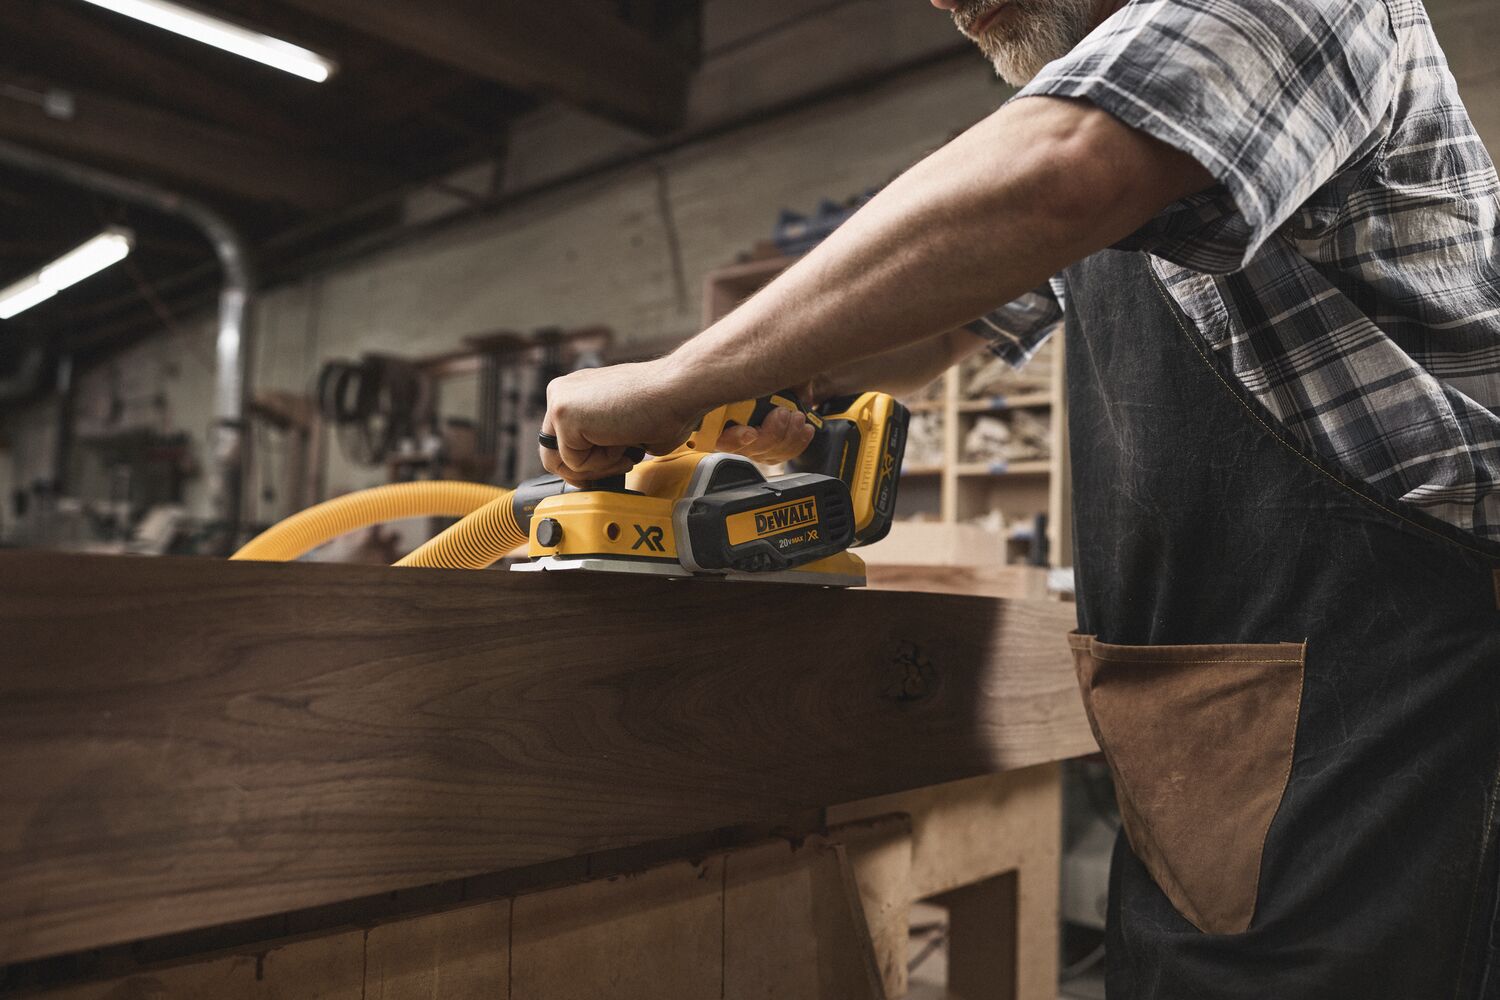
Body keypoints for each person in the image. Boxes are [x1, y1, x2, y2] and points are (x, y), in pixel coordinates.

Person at [540, 0, 1500, 995]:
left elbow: (1055, 174)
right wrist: (779, 377)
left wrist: (678, 377)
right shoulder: (1115, 114)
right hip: (1210, 770)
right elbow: (940, 321)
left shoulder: (1252, 33)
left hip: (1403, 726)